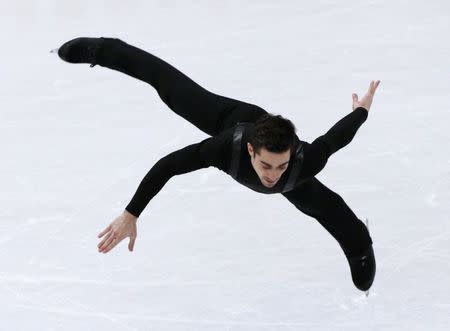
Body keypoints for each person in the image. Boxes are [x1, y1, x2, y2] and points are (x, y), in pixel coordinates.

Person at [56, 37, 380, 291]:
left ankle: (360, 248)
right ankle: (104, 49)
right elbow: (168, 165)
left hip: (276, 144)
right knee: (169, 87)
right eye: (266, 165)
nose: (272, 176)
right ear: (252, 151)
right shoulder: (226, 148)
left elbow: (337, 137)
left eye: (280, 166)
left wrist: (360, 111)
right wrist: (131, 213)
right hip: (228, 118)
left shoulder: (304, 161)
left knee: (327, 208)